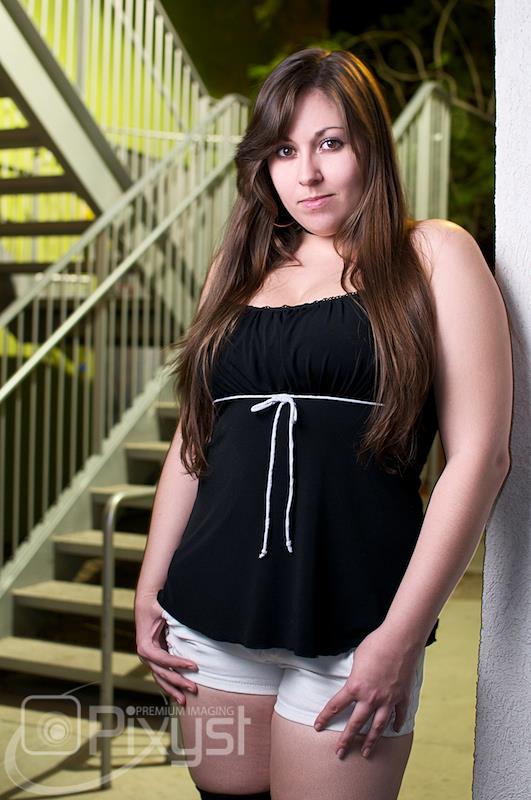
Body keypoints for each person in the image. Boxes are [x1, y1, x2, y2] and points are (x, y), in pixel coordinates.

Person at [134, 48, 513, 800]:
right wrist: (151, 583)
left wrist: (402, 636)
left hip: (358, 623)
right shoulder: (237, 267)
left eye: (330, 143)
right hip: (209, 610)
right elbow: (193, 440)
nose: (305, 173)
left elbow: (480, 457)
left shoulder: (433, 255)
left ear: (371, 145)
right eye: (283, 150)